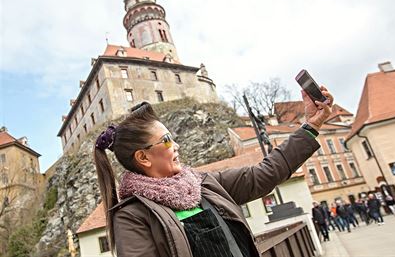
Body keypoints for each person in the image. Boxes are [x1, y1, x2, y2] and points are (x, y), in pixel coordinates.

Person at [93, 88, 333, 256]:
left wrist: (311, 126)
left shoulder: (203, 184)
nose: (176, 146)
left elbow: (264, 174)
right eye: (166, 140)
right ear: (143, 157)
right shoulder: (131, 216)